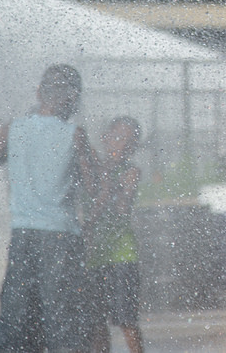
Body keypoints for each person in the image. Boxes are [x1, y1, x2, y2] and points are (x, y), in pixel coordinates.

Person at [0, 64, 97, 353]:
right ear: (72, 97)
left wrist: (15, 154)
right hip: (60, 236)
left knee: (17, 311)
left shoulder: (14, 128)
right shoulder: (75, 134)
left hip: (23, 235)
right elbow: (93, 186)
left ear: (39, 93)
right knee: (61, 312)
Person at [84, 116, 144, 353]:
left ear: (135, 147)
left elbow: (122, 207)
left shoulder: (131, 171)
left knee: (127, 320)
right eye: (118, 138)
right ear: (105, 138)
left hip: (122, 255)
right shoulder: (92, 169)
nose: (122, 145)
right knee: (96, 323)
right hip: (93, 256)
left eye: (129, 141)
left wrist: (109, 184)